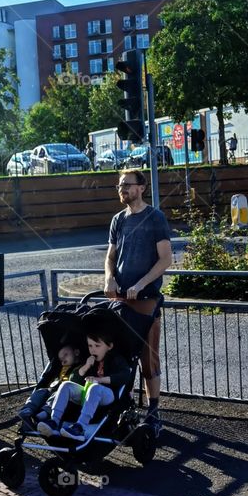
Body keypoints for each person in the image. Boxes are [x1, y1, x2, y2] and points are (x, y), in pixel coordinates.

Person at [104, 170, 172, 431]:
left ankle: (154, 411)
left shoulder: (155, 218)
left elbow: (165, 259)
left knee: (148, 357)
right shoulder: (118, 220)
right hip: (120, 299)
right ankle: (125, 406)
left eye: (127, 185)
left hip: (146, 299)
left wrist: (141, 283)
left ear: (141, 187)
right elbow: (110, 257)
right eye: (119, 186)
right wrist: (110, 278)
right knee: (119, 353)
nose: (122, 189)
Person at [37, 329, 131, 441]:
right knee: (66, 385)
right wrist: (86, 366)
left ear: (109, 346)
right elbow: (74, 378)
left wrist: (100, 380)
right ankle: (54, 421)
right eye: (90, 346)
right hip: (88, 392)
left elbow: (124, 376)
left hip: (108, 394)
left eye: (97, 346)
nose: (93, 350)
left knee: (95, 387)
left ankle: (80, 427)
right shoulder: (91, 360)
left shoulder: (116, 359)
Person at [17, 337, 82, 425]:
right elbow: (51, 377)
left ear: (76, 352)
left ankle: (44, 413)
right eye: (61, 360)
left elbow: (76, 380)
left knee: (56, 396)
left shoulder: (81, 368)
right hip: (52, 389)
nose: (63, 361)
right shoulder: (61, 368)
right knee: (40, 392)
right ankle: (28, 409)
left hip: (65, 393)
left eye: (66, 355)